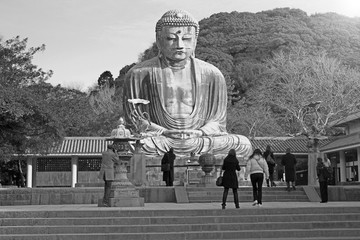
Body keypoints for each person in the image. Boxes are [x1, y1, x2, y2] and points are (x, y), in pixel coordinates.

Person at [123, 9, 252, 157]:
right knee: (130, 145)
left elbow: (218, 122)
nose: (179, 45)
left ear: (195, 41)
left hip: (198, 139)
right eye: (171, 38)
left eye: (186, 39)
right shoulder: (139, 73)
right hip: (161, 140)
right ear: (159, 41)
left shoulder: (212, 74)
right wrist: (164, 131)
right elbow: (135, 120)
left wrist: (199, 132)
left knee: (242, 144)